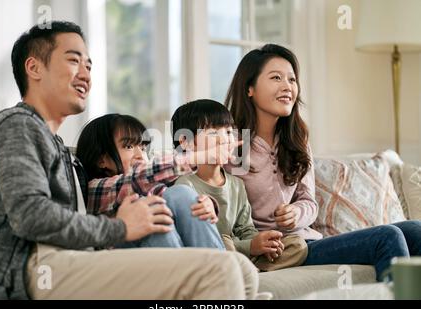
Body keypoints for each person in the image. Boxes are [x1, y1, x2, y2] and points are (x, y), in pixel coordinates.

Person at [0, 21, 259, 300]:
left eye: (89, 65)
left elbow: (134, 182)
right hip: (25, 271)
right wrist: (120, 228)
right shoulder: (17, 126)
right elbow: (31, 217)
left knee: (241, 269)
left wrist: (191, 195)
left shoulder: (60, 150)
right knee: (218, 270)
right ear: (34, 68)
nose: (85, 74)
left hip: (75, 255)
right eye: (74, 61)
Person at [224, 43, 421, 281]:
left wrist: (296, 212)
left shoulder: (296, 139)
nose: (288, 87)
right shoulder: (230, 145)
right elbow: (223, 210)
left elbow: (308, 201)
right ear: (249, 88)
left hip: (307, 240)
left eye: (292, 80)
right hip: (280, 251)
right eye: (276, 78)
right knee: (387, 236)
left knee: (415, 230)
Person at [171, 99, 308, 271]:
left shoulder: (236, 184)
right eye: (213, 133)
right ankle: (242, 269)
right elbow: (196, 237)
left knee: (297, 245)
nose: (224, 139)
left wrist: (262, 242)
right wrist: (249, 246)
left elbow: (246, 229)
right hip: (212, 253)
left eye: (228, 132)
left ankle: (247, 269)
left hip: (239, 252)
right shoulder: (185, 186)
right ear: (185, 141)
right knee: (226, 244)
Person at [75, 113, 224, 249]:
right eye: (129, 146)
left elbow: (173, 198)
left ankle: (218, 268)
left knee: (180, 193)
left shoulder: (149, 189)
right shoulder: (96, 189)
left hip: (161, 251)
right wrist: (196, 157)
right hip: (119, 258)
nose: (140, 155)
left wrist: (207, 204)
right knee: (154, 221)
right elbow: (138, 178)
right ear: (102, 160)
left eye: (143, 147)